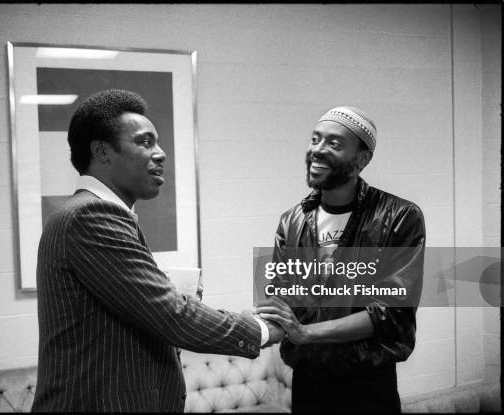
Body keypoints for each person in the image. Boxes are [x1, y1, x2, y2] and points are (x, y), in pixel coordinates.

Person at [32, 89, 284, 412]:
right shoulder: (90, 216)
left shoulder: (93, 214)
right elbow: (172, 315)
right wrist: (266, 329)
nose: (161, 153)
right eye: (145, 142)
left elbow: (139, 311)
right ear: (101, 151)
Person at [255, 106, 425, 413]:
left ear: (362, 159)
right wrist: (257, 323)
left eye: (334, 143)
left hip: (368, 385)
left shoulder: (400, 216)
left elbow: (390, 312)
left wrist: (306, 333)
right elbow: (283, 297)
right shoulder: (291, 221)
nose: (317, 150)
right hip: (308, 382)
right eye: (315, 139)